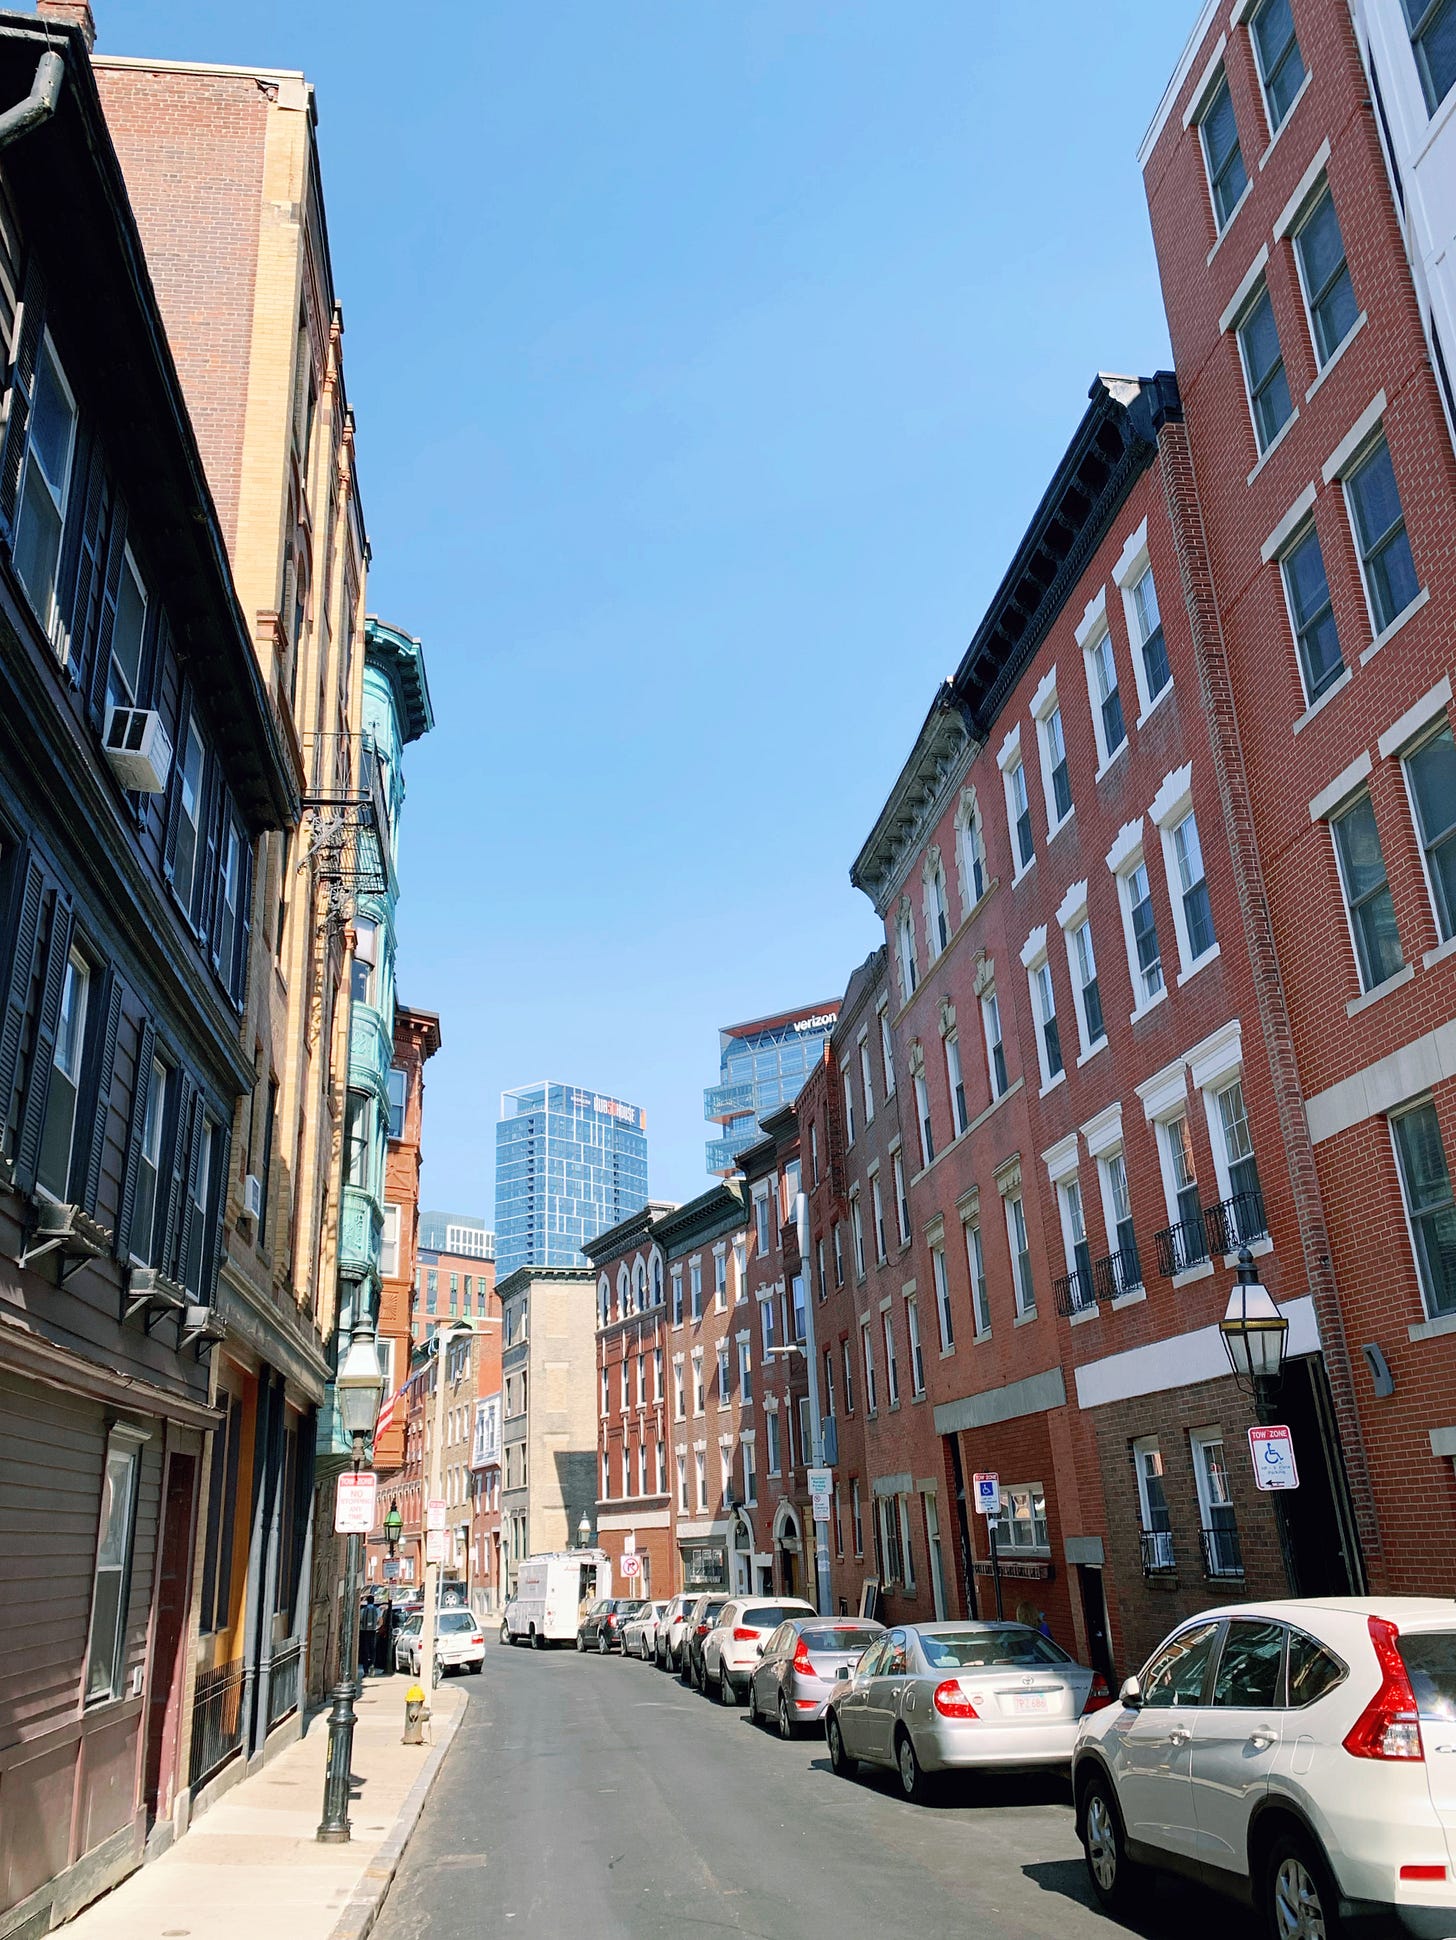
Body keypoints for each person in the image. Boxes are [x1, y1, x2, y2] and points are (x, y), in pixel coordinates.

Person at [358, 1591, 380, 1678]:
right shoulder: (377, 1610)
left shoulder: (363, 1610)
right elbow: (380, 1621)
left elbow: (360, 1621)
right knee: (373, 1650)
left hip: (364, 1631)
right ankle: (372, 1666)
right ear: (373, 1601)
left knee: (365, 1651)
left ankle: (365, 1671)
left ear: (367, 1601)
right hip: (373, 1631)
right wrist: (376, 1627)